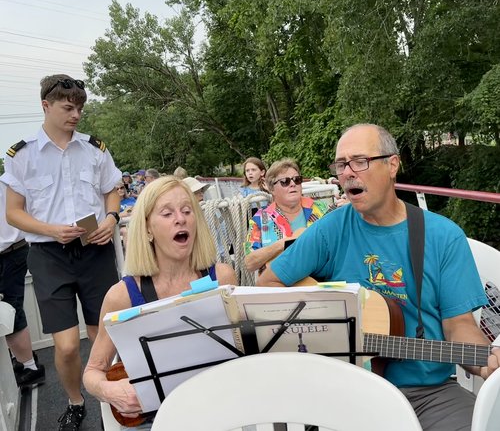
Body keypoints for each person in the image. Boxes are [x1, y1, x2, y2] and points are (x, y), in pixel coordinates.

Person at [259, 123, 500, 431]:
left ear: (392, 165)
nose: (347, 172)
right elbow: (268, 283)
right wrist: (323, 326)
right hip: (346, 392)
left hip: (428, 395)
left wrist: (485, 363)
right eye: (341, 164)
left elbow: (459, 325)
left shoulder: (443, 236)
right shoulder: (331, 228)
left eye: (360, 161)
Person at [1, 74, 122, 431]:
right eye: (68, 108)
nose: (76, 115)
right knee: (68, 346)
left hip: (94, 251)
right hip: (49, 255)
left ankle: (110, 395)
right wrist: (50, 229)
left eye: (80, 108)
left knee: (105, 334)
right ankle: (75, 400)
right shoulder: (21, 155)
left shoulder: (95, 150)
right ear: (46, 106)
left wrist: (112, 217)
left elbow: (112, 190)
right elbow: (13, 212)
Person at [83, 176, 237, 429]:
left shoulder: (223, 277)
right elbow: (92, 372)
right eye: (167, 213)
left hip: (220, 411)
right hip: (156, 420)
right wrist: (110, 391)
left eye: (187, 211)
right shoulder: (121, 296)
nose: (181, 218)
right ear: (147, 229)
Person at [244, 158, 330, 276]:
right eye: (285, 181)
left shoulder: (322, 209)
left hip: (320, 281)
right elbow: (249, 263)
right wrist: (283, 244)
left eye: (297, 180)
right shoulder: (260, 218)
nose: (293, 184)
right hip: (279, 287)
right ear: (272, 189)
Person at [0, 179, 45, 388]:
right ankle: (25, 360)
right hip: (16, 249)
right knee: (11, 307)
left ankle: (30, 368)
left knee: (9, 310)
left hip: (8, 254)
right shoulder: (7, 183)